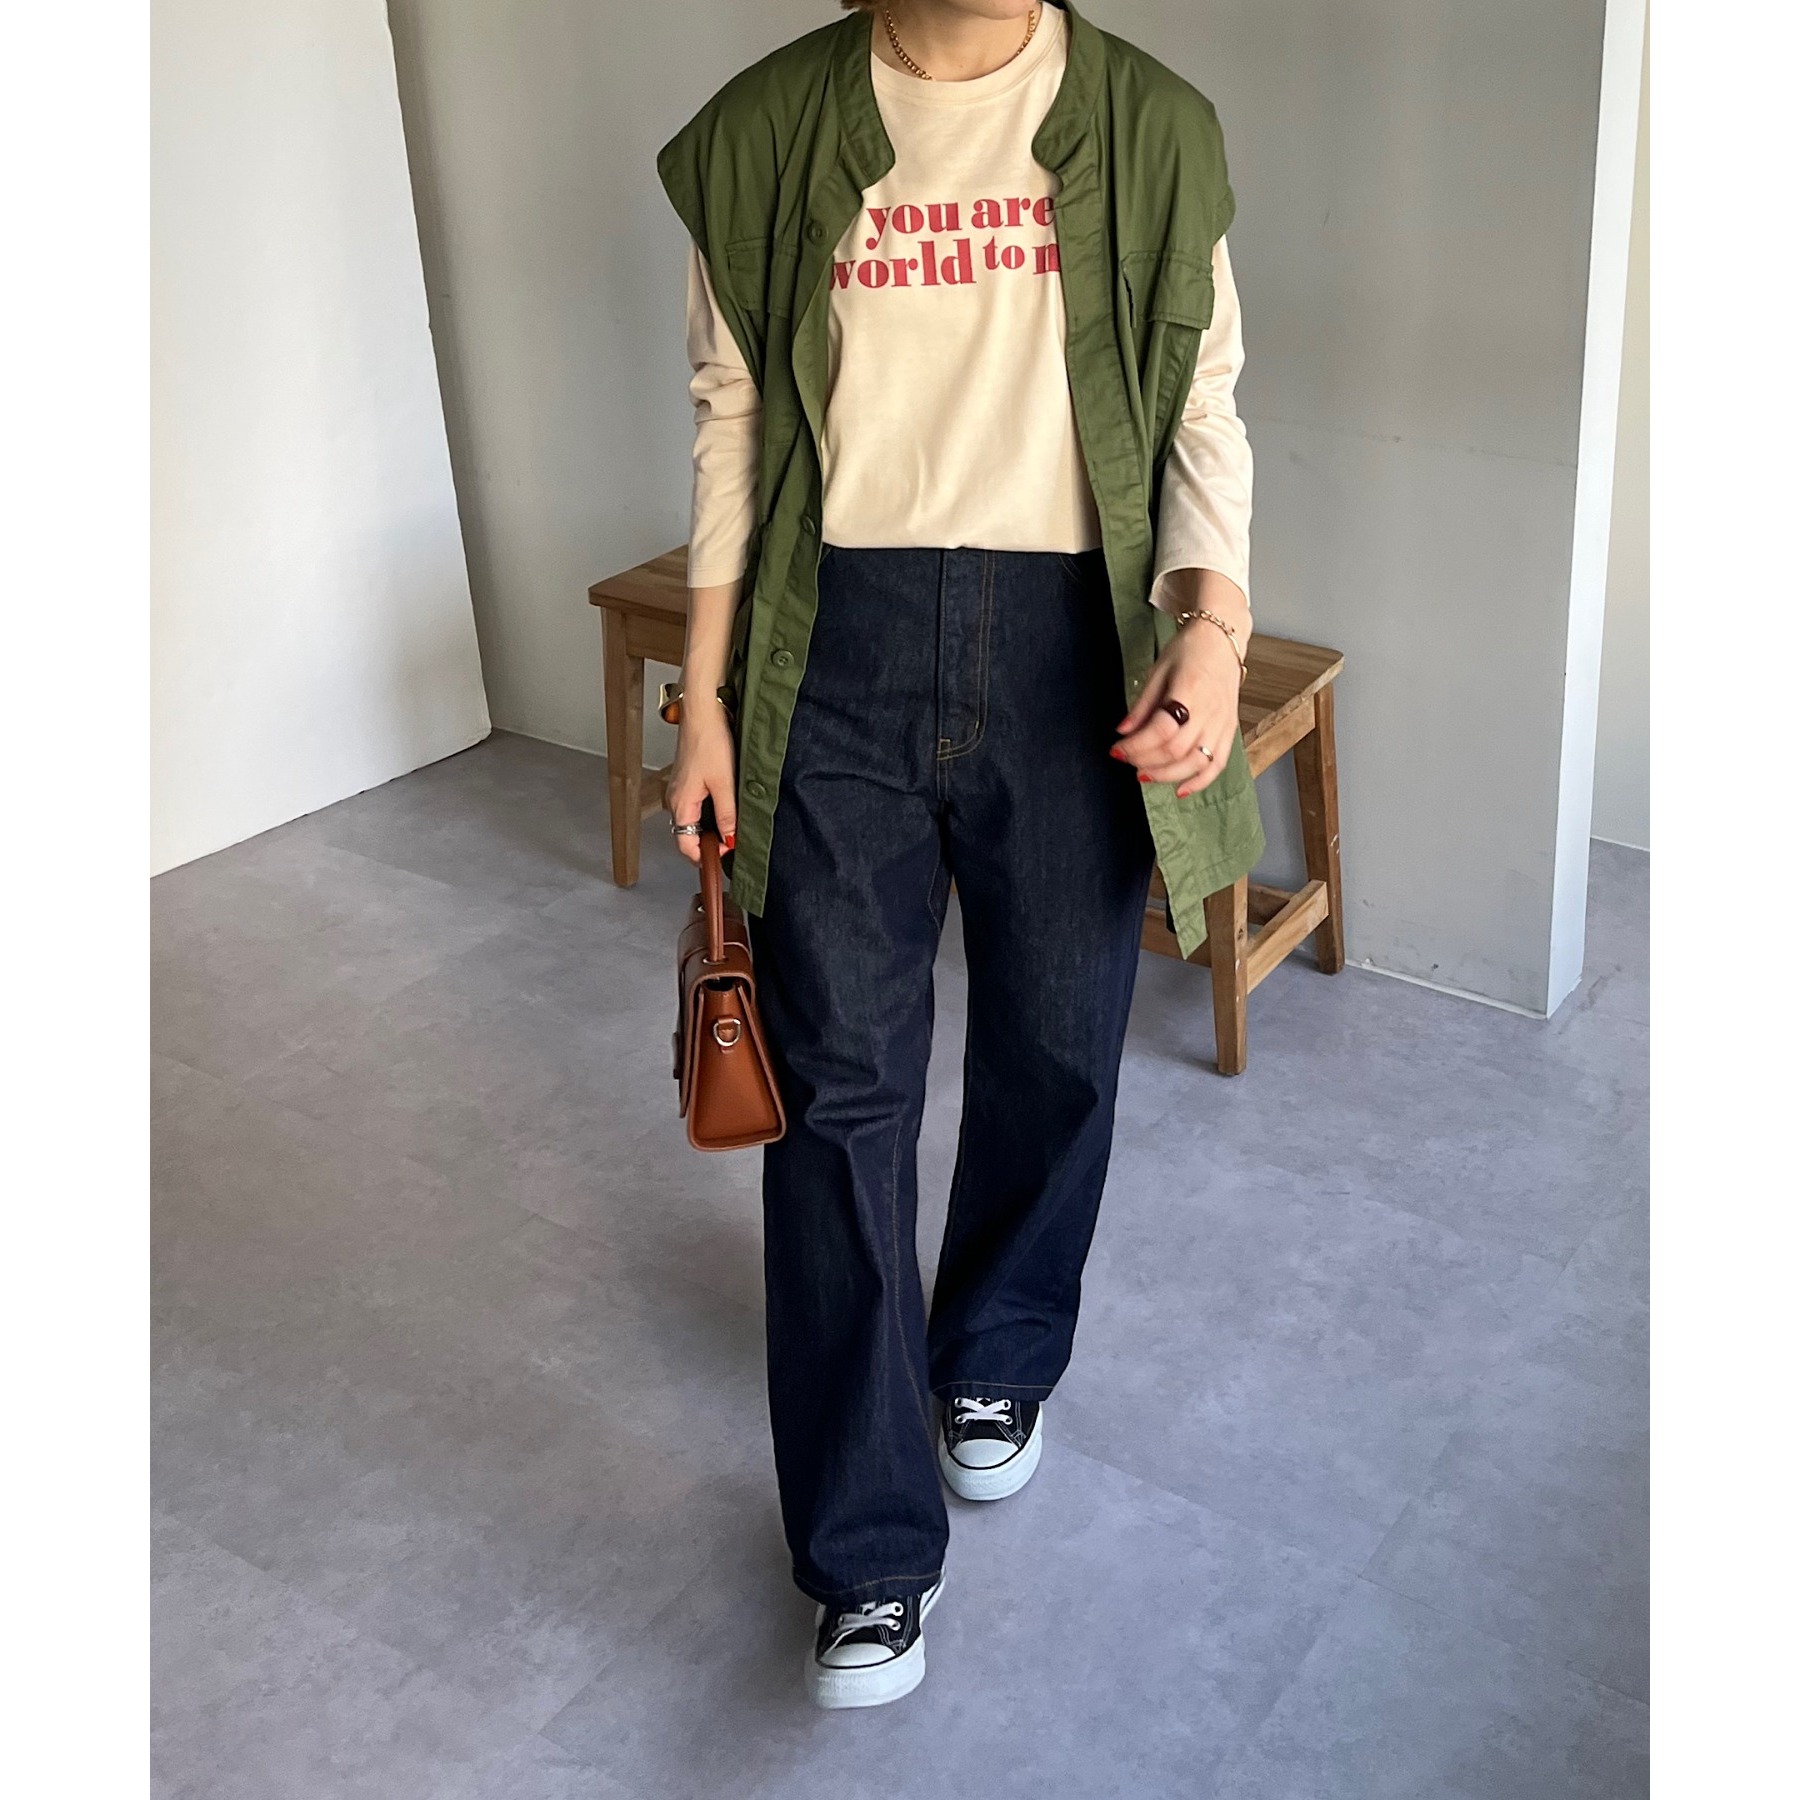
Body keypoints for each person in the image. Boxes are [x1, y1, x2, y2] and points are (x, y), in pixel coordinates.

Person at [655, 0, 1262, 1709]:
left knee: (1057, 1045)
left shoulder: (1153, 126)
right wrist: (703, 701)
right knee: (835, 1086)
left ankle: (994, 1350)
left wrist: (1213, 631)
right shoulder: (764, 133)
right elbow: (732, 420)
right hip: (831, 641)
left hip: (1074, 642)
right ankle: (864, 1548)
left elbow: (1203, 406)